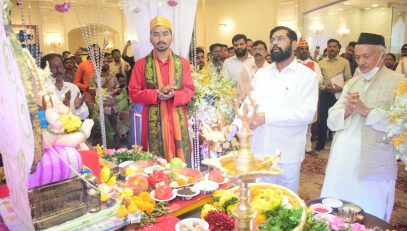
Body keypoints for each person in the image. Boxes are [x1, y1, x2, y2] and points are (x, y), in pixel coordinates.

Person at [321, 33, 404, 222]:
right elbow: (331, 118)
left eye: (366, 56)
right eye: (357, 57)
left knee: (369, 210)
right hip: (342, 157)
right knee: (339, 206)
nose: (361, 62)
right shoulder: (352, 82)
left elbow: (400, 123)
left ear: (382, 55)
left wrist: (366, 111)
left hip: (374, 159)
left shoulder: (399, 83)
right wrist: (347, 111)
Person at [226, 26, 318, 193]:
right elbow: (248, 104)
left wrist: (267, 117)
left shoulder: (307, 76)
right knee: (260, 198)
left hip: (287, 153)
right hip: (260, 150)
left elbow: (308, 114)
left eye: (280, 39)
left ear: (294, 44)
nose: (275, 42)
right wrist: (235, 127)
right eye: (272, 39)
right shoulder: (262, 74)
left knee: (286, 203)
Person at [128, 16, 194, 166]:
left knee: (180, 161)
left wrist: (175, 95)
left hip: (176, 117)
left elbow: (189, 90)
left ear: (172, 37)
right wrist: (156, 95)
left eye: (165, 34)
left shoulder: (182, 63)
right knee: (155, 165)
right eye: (156, 34)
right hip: (152, 120)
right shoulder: (141, 65)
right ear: (150, 38)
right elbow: (134, 93)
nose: (161, 38)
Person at [315, 39, 352, 151]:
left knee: (339, 118)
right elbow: (318, 81)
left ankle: (337, 144)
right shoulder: (320, 63)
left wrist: (340, 88)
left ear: (339, 48)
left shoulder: (345, 62)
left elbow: (349, 78)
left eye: (334, 46)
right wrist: (326, 88)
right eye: (330, 46)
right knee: (323, 118)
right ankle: (320, 144)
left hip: (339, 94)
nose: (332, 48)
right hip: (326, 93)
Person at [40, 53, 89, 120]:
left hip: (73, 129)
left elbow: (84, 116)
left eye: (60, 66)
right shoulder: (42, 91)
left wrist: (78, 108)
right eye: (53, 67)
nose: (59, 70)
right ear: (44, 70)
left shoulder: (73, 87)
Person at [296, 38, 323, 155]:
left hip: (309, 99)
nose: (304, 51)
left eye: (306, 49)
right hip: (295, 99)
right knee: (296, 124)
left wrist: (303, 82)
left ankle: (307, 147)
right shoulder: (293, 63)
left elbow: (319, 79)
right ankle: (296, 147)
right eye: (301, 49)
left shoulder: (314, 64)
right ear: (296, 51)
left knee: (308, 125)